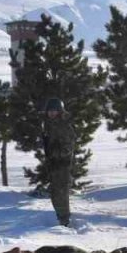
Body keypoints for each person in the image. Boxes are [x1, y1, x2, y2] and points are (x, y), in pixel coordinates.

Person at [42, 97, 75, 226]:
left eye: (54, 111)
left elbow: (69, 147)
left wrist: (56, 153)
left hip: (63, 164)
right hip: (53, 164)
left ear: (60, 111)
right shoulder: (49, 124)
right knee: (55, 193)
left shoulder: (64, 125)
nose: (51, 113)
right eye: (49, 111)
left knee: (61, 193)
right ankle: (60, 217)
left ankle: (64, 220)